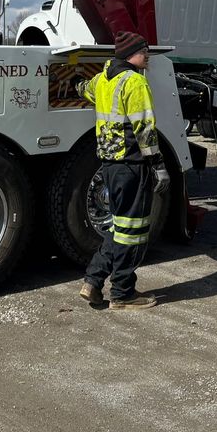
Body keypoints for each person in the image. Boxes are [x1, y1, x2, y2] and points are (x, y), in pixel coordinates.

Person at [77, 30, 169, 310]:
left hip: (109, 166)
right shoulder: (134, 82)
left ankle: (92, 282)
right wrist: (159, 167)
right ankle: (123, 294)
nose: (148, 56)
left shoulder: (104, 77)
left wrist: (77, 80)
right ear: (131, 54)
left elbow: (85, 90)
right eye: (144, 52)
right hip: (131, 165)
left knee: (119, 229)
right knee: (133, 233)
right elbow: (145, 129)